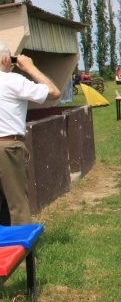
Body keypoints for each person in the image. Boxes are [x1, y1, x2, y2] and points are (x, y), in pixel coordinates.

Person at [0, 43, 61, 225]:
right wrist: (30, 67)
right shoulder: (12, 80)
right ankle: (26, 252)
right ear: (5, 59)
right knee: (17, 205)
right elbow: (54, 92)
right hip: (8, 147)